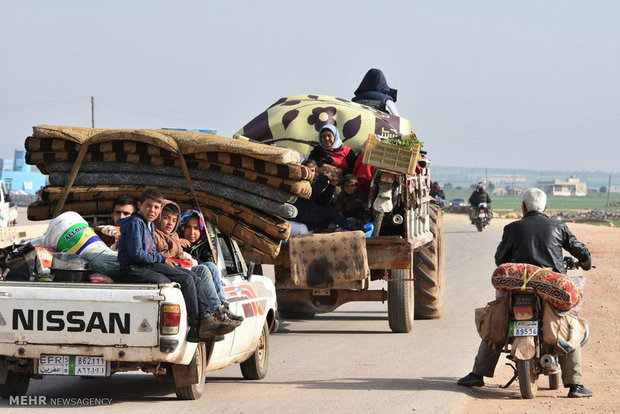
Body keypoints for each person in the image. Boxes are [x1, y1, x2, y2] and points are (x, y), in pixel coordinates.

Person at [457, 187, 594, 398]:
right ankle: (575, 384)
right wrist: (585, 262)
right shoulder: (558, 226)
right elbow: (580, 250)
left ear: (523, 207)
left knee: (497, 319)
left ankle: (477, 374)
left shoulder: (512, 228)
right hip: (552, 290)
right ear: (545, 207)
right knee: (568, 325)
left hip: (518, 288)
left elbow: (500, 259)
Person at [116, 189, 230, 341]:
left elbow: (148, 252)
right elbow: (137, 254)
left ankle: (206, 319)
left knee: (192, 276)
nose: (152, 210)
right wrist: (162, 259)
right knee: (186, 279)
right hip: (134, 268)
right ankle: (197, 327)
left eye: (156, 207)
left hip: (146, 264)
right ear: (139, 205)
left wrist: (161, 259)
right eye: (148, 206)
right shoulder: (135, 223)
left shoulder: (148, 225)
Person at [155, 202, 243, 325]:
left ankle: (223, 306)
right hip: (175, 271)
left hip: (187, 269)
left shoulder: (204, 244)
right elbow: (165, 254)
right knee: (204, 269)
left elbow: (200, 260)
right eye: (188, 227)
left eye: (196, 228)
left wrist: (189, 257)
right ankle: (216, 310)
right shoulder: (166, 236)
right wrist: (179, 245)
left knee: (210, 266)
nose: (192, 232)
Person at [293, 168, 352, 232]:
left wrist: (331, 186)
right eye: (309, 170)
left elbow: (322, 201)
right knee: (330, 212)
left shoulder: (316, 183)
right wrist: (325, 178)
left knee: (330, 211)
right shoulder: (300, 183)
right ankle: (352, 228)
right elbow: (311, 192)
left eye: (313, 171)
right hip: (300, 214)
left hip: (309, 212)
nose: (311, 173)